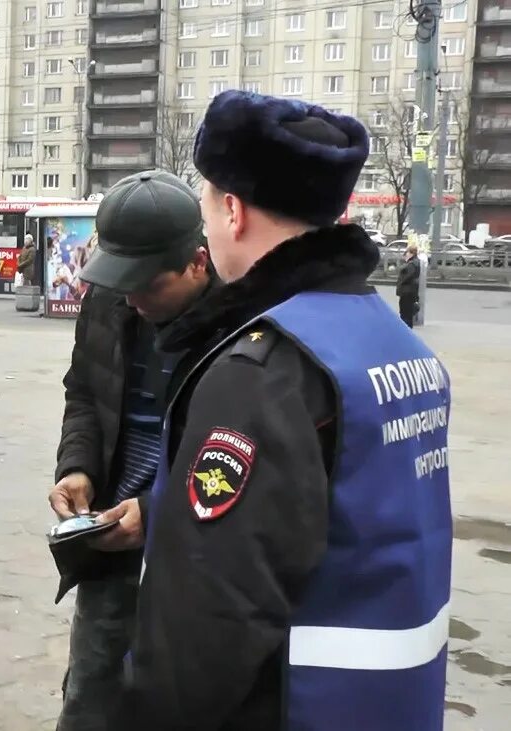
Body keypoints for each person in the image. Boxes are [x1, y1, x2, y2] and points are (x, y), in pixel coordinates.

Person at [112, 90, 452, 730]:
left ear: (233, 210)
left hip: (291, 706)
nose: (208, 229)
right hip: (391, 705)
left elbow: (210, 618)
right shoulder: (396, 343)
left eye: (208, 206)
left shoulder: (264, 370)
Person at [48, 170, 216, 731]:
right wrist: (77, 467)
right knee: (90, 691)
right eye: (119, 280)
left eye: (147, 283)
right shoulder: (109, 298)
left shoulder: (242, 322)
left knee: (180, 694)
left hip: (195, 543)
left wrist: (159, 508)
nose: (131, 297)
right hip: (111, 533)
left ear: (197, 262)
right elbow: (85, 393)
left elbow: (242, 452)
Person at [397, 244, 421, 327]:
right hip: (410, 292)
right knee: (407, 314)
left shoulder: (411, 264)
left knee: (405, 314)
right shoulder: (415, 263)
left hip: (407, 292)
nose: (405, 254)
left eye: (406, 252)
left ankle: (406, 331)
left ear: (411, 253)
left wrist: (405, 263)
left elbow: (405, 277)